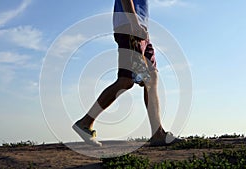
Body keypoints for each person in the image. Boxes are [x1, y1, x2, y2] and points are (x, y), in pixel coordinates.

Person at [73, 0, 182, 146]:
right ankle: (85, 122)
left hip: (139, 29)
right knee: (126, 80)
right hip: (130, 26)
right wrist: (134, 23)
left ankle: (158, 133)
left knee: (151, 77)